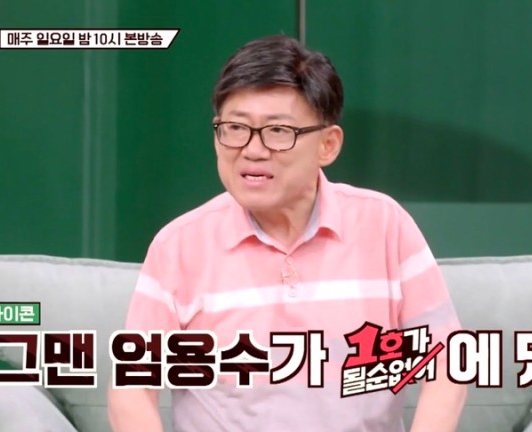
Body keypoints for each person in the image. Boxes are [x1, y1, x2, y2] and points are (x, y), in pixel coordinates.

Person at [108, 35, 466, 432]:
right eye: (235, 127)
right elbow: (130, 389)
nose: (252, 150)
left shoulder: (384, 225)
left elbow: (448, 366)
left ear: (328, 145)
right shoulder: (179, 246)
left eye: (278, 131)